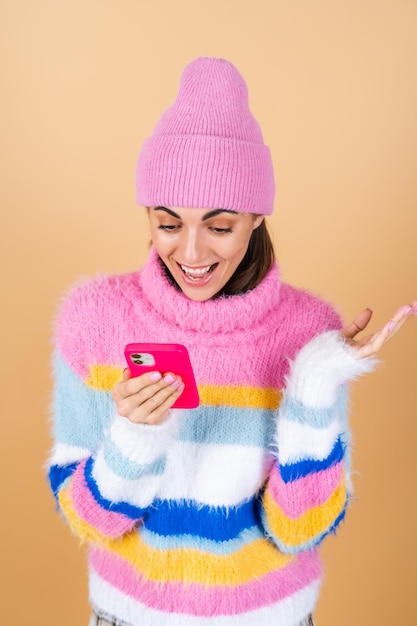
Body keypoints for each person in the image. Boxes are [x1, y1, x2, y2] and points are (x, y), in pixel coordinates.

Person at [48, 57, 416, 626]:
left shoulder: (307, 329)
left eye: (220, 227)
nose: (191, 254)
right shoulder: (93, 320)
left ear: (256, 218)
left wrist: (312, 388)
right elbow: (92, 521)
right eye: (168, 223)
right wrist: (135, 438)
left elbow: (300, 530)